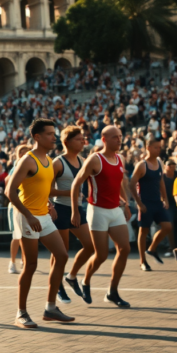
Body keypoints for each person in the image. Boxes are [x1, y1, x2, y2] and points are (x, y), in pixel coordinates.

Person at [6, 119, 73, 329]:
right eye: (50, 134)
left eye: (55, 133)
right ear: (37, 137)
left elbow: (42, 189)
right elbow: (9, 191)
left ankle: (51, 308)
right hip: (28, 217)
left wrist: (50, 204)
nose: (54, 137)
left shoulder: (48, 160)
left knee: (61, 256)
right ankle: (21, 313)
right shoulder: (28, 160)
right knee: (31, 265)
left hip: (43, 215)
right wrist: (29, 216)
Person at [71, 125, 133, 308]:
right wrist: (75, 210)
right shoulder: (95, 159)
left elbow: (119, 182)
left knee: (125, 249)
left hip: (115, 210)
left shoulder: (121, 158)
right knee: (101, 254)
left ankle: (112, 292)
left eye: (120, 136)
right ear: (104, 139)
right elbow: (76, 184)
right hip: (97, 211)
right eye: (115, 137)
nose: (119, 140)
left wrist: (125, 202)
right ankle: (86, 281)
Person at [50, 126, 95, 303]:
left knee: (90, 246)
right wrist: (68, 193)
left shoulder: (83, 161)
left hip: (77, 209)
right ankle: (57, 285)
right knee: (61, 253)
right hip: (60, 210)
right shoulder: (58, 163)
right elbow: (47, 190)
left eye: (83, 138)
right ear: (67, 142)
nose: (83, 141)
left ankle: (72, 275)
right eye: (78, 139)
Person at [128, 138, 172, 271]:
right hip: (145, 203)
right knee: (143, 231)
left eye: (159, 147)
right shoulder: (142, 165)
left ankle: (152, 249)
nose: (158, 150)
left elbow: (161, 182)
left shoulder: (159, 162)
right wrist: (139, 203)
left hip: (157, 202)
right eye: (155, 147)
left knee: (167, 226)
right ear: (148, 147)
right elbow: (131, 184)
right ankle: (142, 261)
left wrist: (165, 198)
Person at [5, 146, 30, 273]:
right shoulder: (16, 168)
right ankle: (12, 262)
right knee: (16, 235)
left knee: (25, 236)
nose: (27, 156)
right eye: (24, 153)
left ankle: (24, 261)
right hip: (16, 206)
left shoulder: (29, 167)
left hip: (27, 205)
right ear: (19, 154)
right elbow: (8, 185)